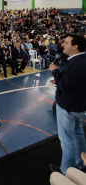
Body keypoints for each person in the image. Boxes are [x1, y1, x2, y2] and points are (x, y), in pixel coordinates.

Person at [49, 34, 86, 175]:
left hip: (68, 107)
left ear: (75, 46)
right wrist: (61, 78)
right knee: (78, 133)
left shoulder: (76, 64)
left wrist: (55, 72)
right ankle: (81, 162)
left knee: (67, 139)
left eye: (66, 42)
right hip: (80, 106)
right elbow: (75, 81)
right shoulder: (82, 60)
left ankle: (66, 171)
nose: (63, 44)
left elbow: (65, 86)